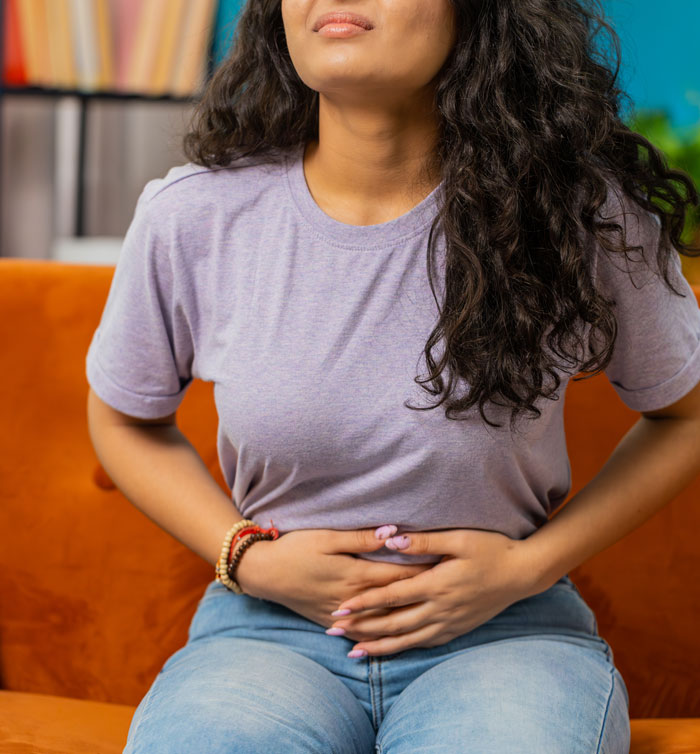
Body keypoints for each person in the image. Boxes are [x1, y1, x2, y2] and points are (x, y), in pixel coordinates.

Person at [86, 0, 700, 752]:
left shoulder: (582, 214)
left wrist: (526, 568)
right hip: (266, 640)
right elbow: (122, 419)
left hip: (507, 640)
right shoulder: (193, 214)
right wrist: (247, 555)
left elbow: (688, 415)